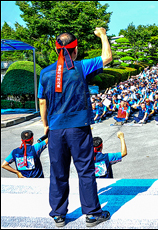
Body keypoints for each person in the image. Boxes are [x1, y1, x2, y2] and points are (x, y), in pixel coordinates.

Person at [38, 27, 112, 227]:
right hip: (78, 128)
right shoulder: (81, 67)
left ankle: (59, 214)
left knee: (58, 172)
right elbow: (106, 58)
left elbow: (42, 103)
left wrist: (46, 125)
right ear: (75, 49)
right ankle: (92, 214)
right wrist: (103, 35)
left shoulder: (44, 73)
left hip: (55, 129)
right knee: (85, 171)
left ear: (56, 50)